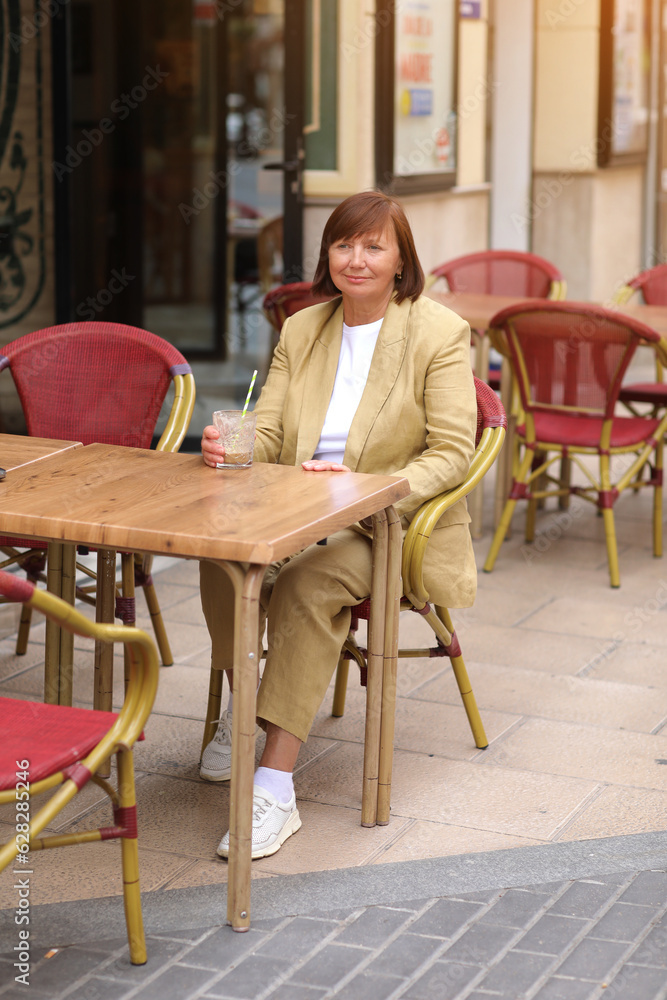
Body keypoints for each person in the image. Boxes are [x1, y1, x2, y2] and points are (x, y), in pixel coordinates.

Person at [199, 190, 477, 859]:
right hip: (294, 502)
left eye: (373, 246)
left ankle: (273, 783)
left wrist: (367, 488)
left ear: (400, 260)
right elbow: (266, 426)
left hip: (380, 521)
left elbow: (452, 452)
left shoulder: (437, 333)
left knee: (306, 585)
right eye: (344, 244)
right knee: (215, 552)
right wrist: (227, 445)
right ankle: (249, 707)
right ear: (328, 253)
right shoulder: (303, 328)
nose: (356, 259)